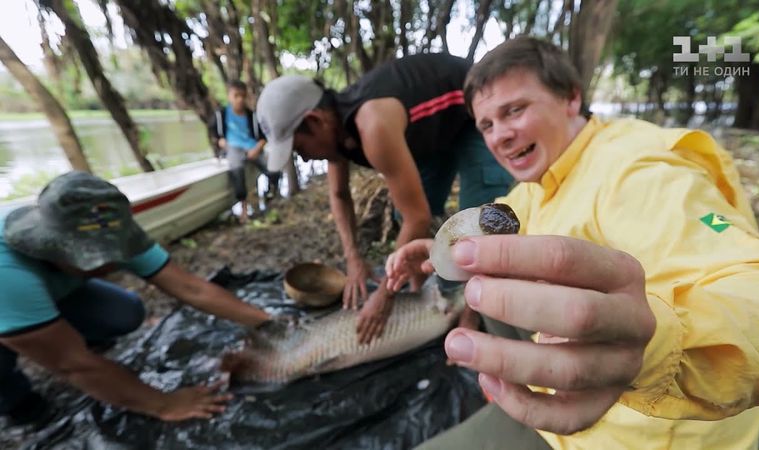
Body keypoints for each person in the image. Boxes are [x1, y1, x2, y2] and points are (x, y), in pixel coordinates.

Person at [385, 37, 759, 450]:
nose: (500, 137)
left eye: (515, 110)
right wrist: (441, 251)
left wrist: (655, 345)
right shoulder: (541, 175)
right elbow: (510, 210)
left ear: (570, 98)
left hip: (644, 432)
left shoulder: (640, 174)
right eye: (486, 125)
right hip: (566, 396)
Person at [256, 54, 514, 344]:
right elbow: (340, 195)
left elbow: (421, 217)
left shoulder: (373, 125)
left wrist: (384, 295)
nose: (302, 156)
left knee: (476, 226)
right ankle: (425, 300)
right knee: (404, 220)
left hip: (468, 115)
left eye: (299, 147)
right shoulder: (337, 133)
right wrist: (353, 258)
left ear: (314, 121)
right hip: (430, 134)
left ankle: (474, 312)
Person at [0, 171, 272, 427]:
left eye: (112, 254)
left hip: (37, 291)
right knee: (24, 368)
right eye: (92, 258)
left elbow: (192, 289)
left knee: (124, 312)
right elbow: (73, 365)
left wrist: (267, 323)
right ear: (50, 246)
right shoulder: (9, 274)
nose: (107, 266)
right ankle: (14, 398)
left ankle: (55, 328)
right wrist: (163, 404)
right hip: (9, 294)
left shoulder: (108, 225)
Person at [209, 80, 281, 223]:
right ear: (229, 96)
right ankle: (243, 208)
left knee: (273, 169)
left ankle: (271, 197)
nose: (240, 99)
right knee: (237, 168)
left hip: (252, 147)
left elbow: (263, 137)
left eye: (242, 96)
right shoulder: (221, 115)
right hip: (232, 148)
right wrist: (220, 142)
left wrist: (257, 149)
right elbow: (216, 136)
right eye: (236, 96)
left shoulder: (253, 115)